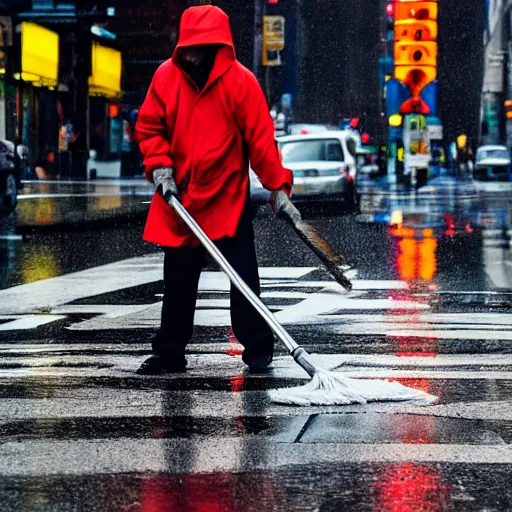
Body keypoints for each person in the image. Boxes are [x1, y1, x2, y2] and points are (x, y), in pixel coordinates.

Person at [135, 5, 293, 375]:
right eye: (186, 44)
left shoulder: (241, 82)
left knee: (243, 280)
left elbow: (261, 142)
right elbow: (149, 127)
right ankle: (169, 350)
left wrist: (278, 186)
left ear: (214, 45)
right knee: (178, 282)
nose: (190, 51)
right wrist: (160, 164)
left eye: (198, 44)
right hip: (181, 203)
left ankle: (257, 347)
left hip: (227, 199)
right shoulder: (165, 77)